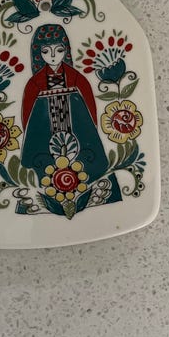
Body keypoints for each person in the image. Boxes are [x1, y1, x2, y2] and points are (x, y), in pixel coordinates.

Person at [20, 24, 121, 209]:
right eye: (46, 51)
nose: (53, 56)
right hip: (45, 132)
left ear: (65, 50)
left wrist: (91, 130)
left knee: (84, 163)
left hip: (77, 130)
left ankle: (90, 195)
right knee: (46, 166)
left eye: (58, 50)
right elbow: (27, 116)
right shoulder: (34, 82)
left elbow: (90, 107)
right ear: (38, 53)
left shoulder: (76, 77)